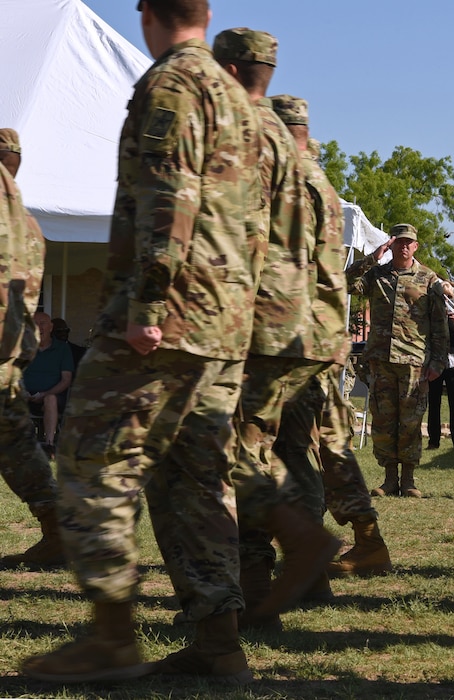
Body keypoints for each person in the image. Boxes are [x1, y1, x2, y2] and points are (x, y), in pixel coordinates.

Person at [22, 0, 263, 684]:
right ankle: (219, 644)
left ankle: (110, 637)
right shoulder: (236, 98)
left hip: (166, 318)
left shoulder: (173, 83)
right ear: (207, 13)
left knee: (89, 462)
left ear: (147, 12)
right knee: (196, 480)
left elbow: (169, 194)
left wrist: (149, 304)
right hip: (222, 320)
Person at [208, 28, 342, 630]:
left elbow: (249, 240)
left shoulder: (252, 142)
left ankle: (272, 574)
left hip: (262, 324)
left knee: (237, 450)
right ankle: (297, 578)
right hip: (308, 328)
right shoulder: (310, 168)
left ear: (231, 72)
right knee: (286, 451)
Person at [270, 95, 391, 579]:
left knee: (293, 447)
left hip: (295, 339)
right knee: (330, 442)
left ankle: (310, 554)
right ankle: (365, 539)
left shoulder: (290, 188)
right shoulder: (320, 188)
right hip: (319, 336)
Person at [346, 224, 448, 499]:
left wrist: (438, 361)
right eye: (399, 242)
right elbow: (344, 283)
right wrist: (371, 259)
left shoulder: (428, 278)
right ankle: (389, 479)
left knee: (411, 422)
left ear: (416, 246)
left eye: (409, 243)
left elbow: (439, 324)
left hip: (415, 362)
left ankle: (409, 480)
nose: (404, 246)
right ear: (391, 245)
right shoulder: (376, 275)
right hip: (380, 361)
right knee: (384, 420)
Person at [0, 127, 63, 569]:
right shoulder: (31, 224)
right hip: (12, 352)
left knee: (15, 444)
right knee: (17, 445)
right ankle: (59, 528)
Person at [23, 311, 74, 450]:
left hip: (54, 397)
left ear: (51, 327)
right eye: (35, 324)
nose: (39, 327)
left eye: (43, 323)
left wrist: (45, 394)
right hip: (25, 396)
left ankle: (49, 445)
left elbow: (66, 380)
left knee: (50, 399)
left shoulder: (62, 349)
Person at [428, 282, 454, 450]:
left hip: (453, 363)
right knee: (434, 401)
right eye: (443, 296)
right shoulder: (432, 314)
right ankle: (433, 441)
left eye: (449, 297)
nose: (446, 299)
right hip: (436, 361)